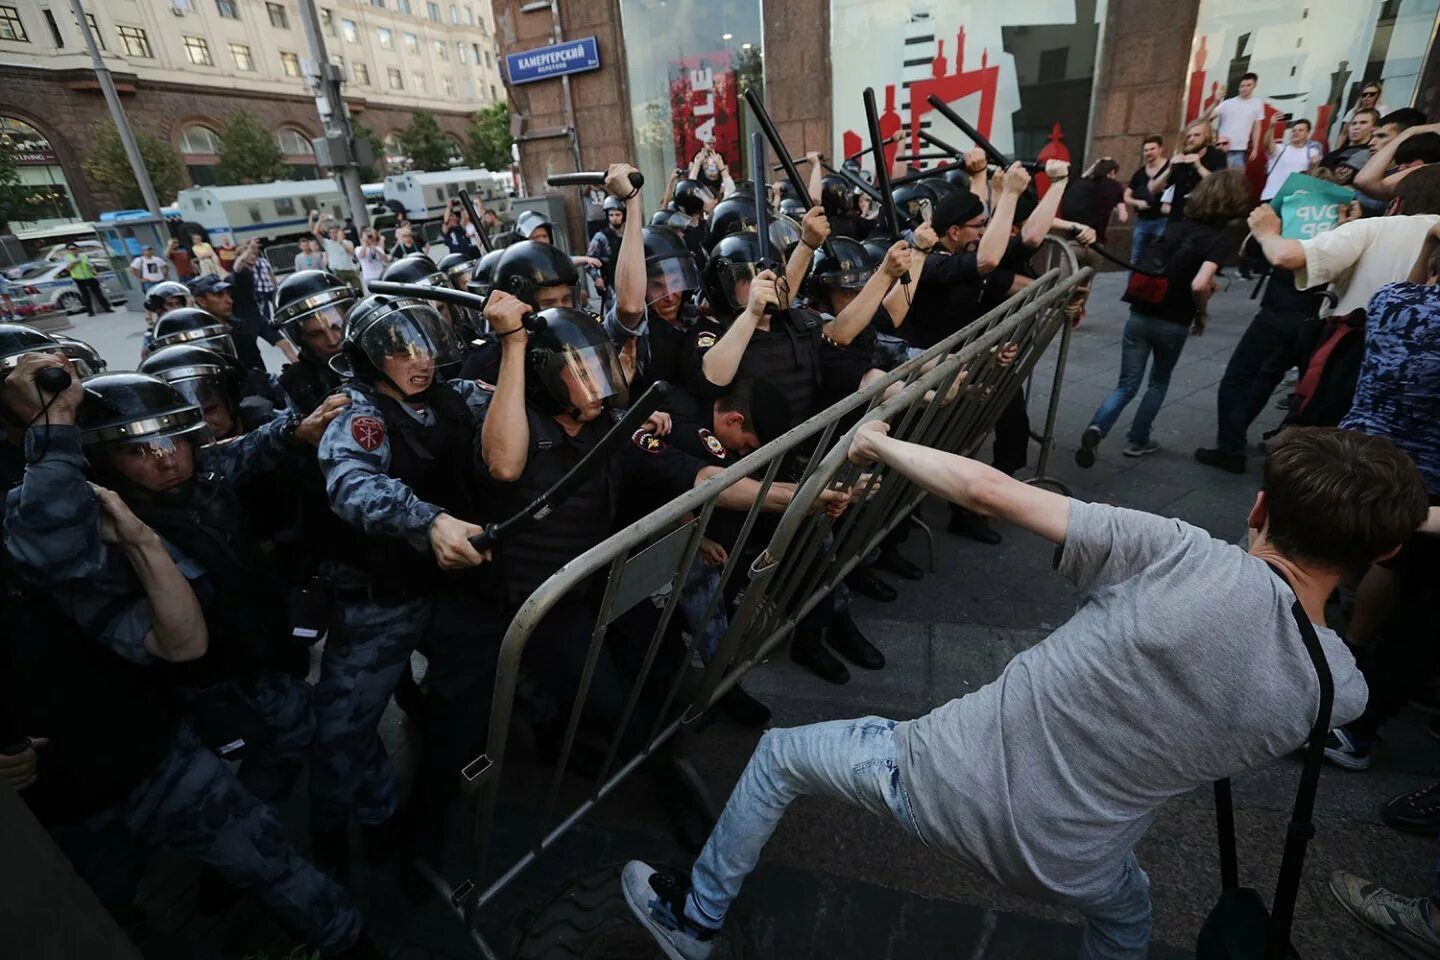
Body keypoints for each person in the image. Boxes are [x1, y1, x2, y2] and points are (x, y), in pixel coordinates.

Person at [622, 421, 1427, 960]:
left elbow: (986, 491)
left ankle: (693, 923)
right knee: (1128, 915)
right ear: (1386, 553)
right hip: (1074, 862)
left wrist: (878, 440)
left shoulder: (1178, 554)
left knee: (778, 757)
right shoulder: (1339, 692)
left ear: (1257, 506)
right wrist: (1392, 524)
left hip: (931, 781)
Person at [0, 356, 383, 959]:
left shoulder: (198, 475)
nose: (165, 459)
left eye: (172, 440)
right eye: (136, 451)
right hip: (190, 700)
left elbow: (235, 452)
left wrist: (292, 432)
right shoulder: (100, 530)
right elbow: (56, 550)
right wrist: (56, 438)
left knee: (278, 799)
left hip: (233, 689)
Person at [312, 292, 493, 880]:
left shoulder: (448, 397)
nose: (418, 362)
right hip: (383, 601)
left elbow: (508, 404)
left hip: (449, 587)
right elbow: (351, 486)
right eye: (399, 352)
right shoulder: (358, 417)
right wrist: (428, 520)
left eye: (423, 348)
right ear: (369, 361)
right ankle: (347, 835)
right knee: (343, 732)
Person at [1313, 233, 1440, 774]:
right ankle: (1360, 698)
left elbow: (1417, 279)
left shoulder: (1392, 299)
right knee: (1414, 593)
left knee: (1354, 559)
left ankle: (1335, 658)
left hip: (1361, 446)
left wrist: (1429, 246)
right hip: (1425, 471)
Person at [1076, 169, 1250, 465]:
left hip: (1141, 312)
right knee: (1158, 381)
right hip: (1174, 320)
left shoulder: (1176, 226)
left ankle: (1097, 426)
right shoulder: (1219, 240)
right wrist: (1203, 312)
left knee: (1126, 384)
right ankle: (1138, 439)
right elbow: (1198, 284)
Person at [1246, 163, 1440, 318]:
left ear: (1396, 203)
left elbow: (1285, 256)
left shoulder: (1374, 227)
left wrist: (1268, 234)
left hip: (1355, 339)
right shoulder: (1365, 228)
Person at [1146, 120, 1227, 221]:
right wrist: (1169, 169)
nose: (1191, 139)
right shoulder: (1181, 157)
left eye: (1196, 135)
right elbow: (1153, 189)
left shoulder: (1217, 156)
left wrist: (1199, 167)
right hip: (1177, 221)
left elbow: (1221, 186)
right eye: (1189, 136)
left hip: (1204, 221)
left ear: (1206, 136)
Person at [1124, 136, 1169, 265]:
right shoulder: (1140, 173)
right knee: (1135, 259)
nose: (1149, 152)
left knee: (1158, 259)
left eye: (1152, 149)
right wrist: (1137, 203)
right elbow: (1127, 196)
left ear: (1160, 149)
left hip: (1163, 220)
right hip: (1142, 221)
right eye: (1146, 150)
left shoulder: (1170, 168)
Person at [1207, 72, 1265, 168]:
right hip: (1222, 148)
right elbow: (1207, 119)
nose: (1244, 88)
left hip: (1240, 149)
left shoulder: (1257, 104)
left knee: (1235, 180)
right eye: (1242, 86)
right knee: (1219, 178)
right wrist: (1216, 101)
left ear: (1254, 85)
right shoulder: (1228, 103)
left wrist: (1255, 148)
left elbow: (1257, 128)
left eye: (1248, 85)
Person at [587, 195, 626, 303]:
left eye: (618, 215)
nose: (614, 218)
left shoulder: (630, 235)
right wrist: (597, 278)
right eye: (611, 215)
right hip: (611, 287)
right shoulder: (601, 237)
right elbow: (589, 261)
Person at [310, 211, 359, 289]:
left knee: (358, 289)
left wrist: (341, 243)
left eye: (335, 232)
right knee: (341, 291)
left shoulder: (348, 242)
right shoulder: (327, 243)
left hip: (351, 270)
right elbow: (315, 233)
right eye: (331, 233)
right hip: (337, 271)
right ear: (329, 234)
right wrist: (320, 221)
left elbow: (351, 253)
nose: (334, 234)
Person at [63, 243, 111, 317]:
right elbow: (68, 269)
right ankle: (90, 312)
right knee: (86, 296)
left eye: (74, 249)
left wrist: (96, 274)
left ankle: (107, 308)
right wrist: (74, 262)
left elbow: (90, 266)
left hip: (89, 277)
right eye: (71, 249)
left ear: (77, 249)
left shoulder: (83, 256)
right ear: (68, 251)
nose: (73, 251)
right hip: (79, 279)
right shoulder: (67, 258)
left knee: (99, 294)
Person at [1338, 81, 1389, 146]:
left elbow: (1384, 131)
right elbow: (1344, 134)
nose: (1367, 96)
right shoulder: (1353, 111)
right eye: (1364, 94)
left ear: (1378, 95)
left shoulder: (1382, 109)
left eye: (1372, 94)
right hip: (1353, 145)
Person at [355, 227, 388, 292]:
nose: (369, 238)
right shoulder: (358, 248)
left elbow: (385, 260)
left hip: (381, 275)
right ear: (361, 238)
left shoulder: (378, 247)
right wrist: (365, 243)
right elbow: (361, 256)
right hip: (369, 277)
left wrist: (375, 248)